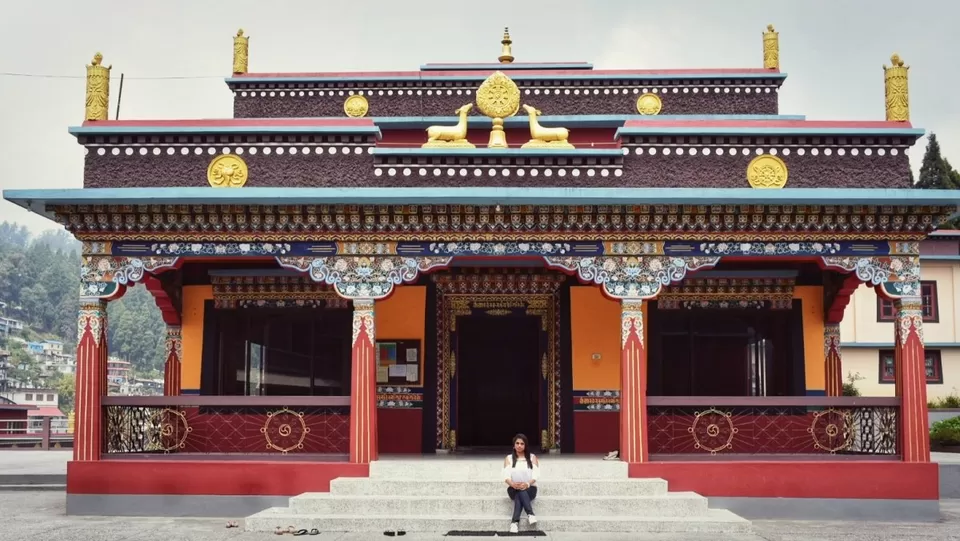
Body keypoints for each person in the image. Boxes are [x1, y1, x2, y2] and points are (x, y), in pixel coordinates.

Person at [502, 433, 539, 533]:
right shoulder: (508, 458)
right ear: (514, 445)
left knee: (521, 491)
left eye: (522, 444)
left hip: (530, 488)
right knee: (518, 490)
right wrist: (513, 484)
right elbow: (506, 477)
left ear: (525, 445)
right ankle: (530, 514)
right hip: (513, 488)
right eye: (517, 443)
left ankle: (514, 523)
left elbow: (535, 476)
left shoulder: (532, 457)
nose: (519, 445)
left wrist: (527, 484)